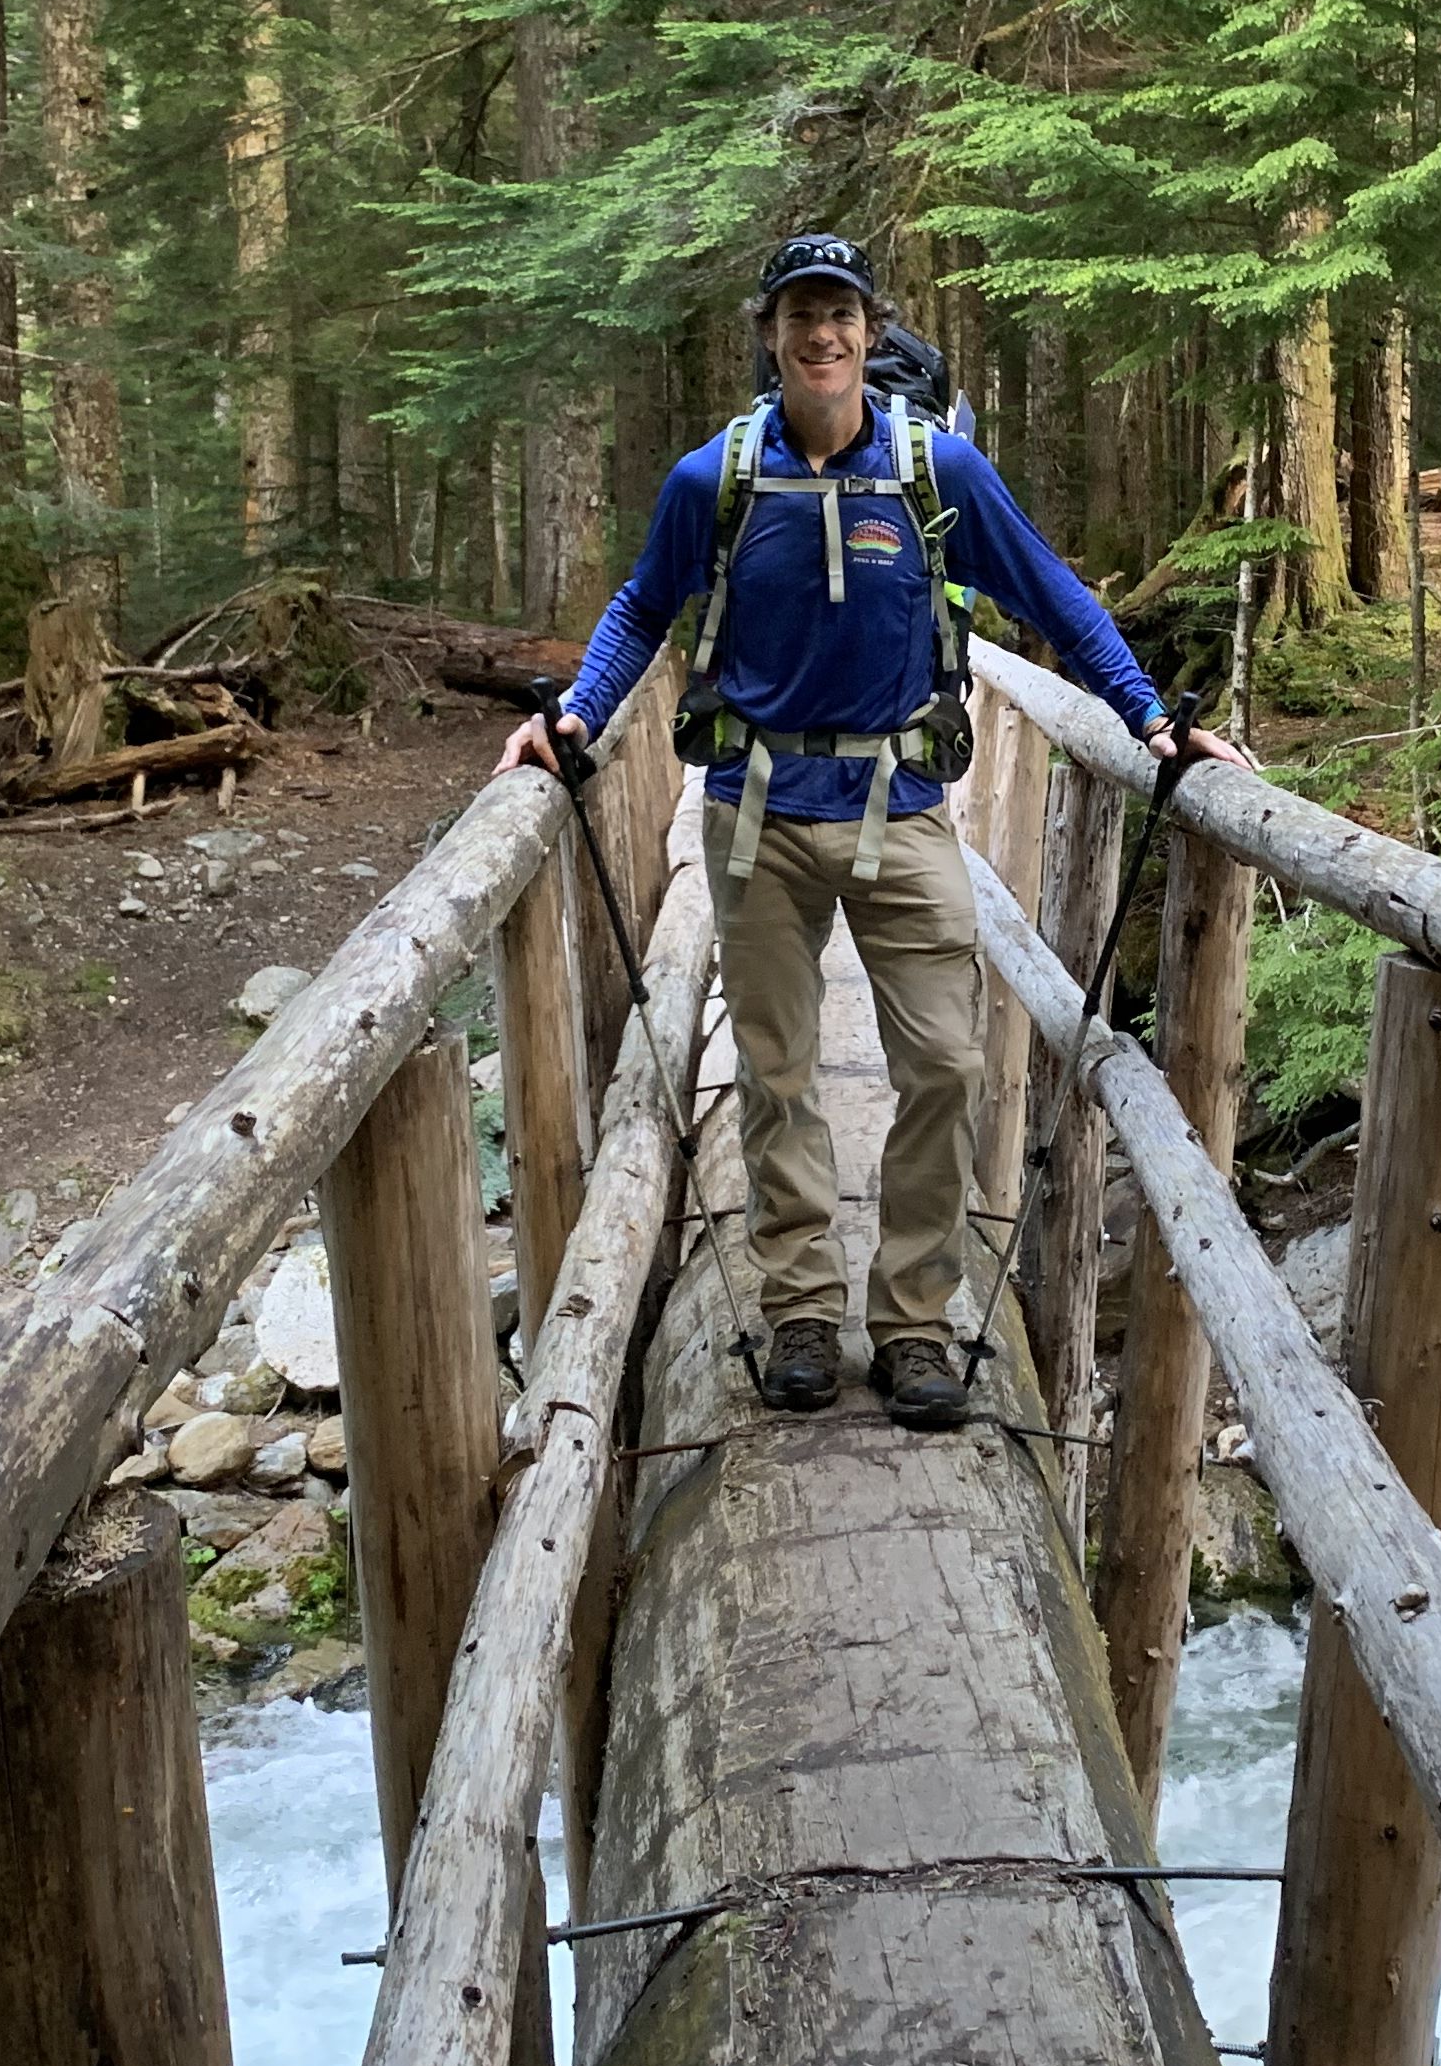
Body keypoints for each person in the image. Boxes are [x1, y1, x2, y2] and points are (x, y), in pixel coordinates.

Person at [503, 233, 1247, 1427]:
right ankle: (801, 1311)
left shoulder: (935, 469)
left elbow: (1049, 591)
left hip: (902, 813)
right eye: (802, 314)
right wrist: (577, 716)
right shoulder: (717, 480)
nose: (824, 335)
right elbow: (646, 602)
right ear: (771, 334)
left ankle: (912, 1322)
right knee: (779, 1073)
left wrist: (1152, 718)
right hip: (756, 817)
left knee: (947, 1064)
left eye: (841, 313)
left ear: (870, 330)